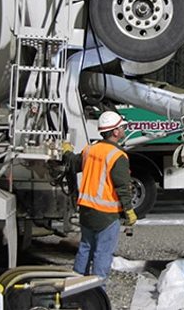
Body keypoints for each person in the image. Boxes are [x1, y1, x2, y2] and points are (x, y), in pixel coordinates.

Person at [63, 110, 137, 280]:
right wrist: (129, 211)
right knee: (102, 253)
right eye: (122, 127)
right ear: (116, 132)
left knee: (85, 247)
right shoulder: (118, 156)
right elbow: (123, 188)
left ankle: (76, 285)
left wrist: (67, 151)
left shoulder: (90, 149)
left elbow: (73, 164)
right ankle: (97, 292)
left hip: (87, 211)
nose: (124, 129)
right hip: (106, 215)